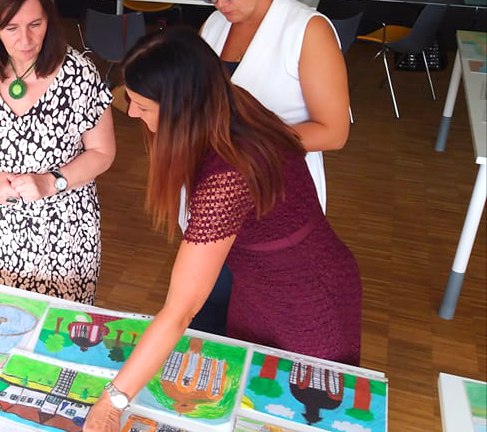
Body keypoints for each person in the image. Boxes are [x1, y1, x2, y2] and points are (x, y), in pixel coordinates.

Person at [83, 28, 362, 431]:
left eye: (142, 106)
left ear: (181, 107)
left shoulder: (229, 176)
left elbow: (180, 310)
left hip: (307, 301)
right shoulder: (229, 103)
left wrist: (113, 401)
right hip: (260, 287)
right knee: (249, 400)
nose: (131, 114)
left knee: (300, 409)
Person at [190, 0, 351, 335]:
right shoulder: (215, 26)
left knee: (261, 317)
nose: (221, 2)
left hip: (275, 204)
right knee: (209, 312)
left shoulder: (307, 31)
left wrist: (241, 141)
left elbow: (334, 132)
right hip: (217, 198)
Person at [0, 0, 116, 304]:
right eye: (11, 28)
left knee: (60, 324)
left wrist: (51, 182)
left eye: (35, 25)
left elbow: (102, 152)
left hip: (65, 233)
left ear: (49, 21)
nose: (25, 40)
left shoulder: (80, 75)